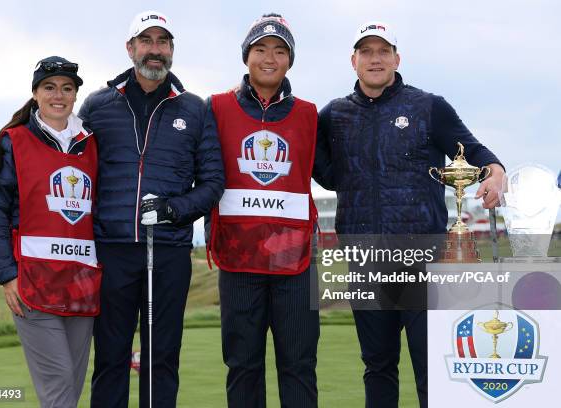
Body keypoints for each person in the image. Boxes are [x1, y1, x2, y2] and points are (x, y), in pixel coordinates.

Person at [313, 22, 505, 408]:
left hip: (423, 257)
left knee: (432, 366)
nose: (375, 59)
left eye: (383, 51)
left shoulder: (428, 106)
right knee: (378, 366)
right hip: (365, 257)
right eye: (366, 52)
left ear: (397, 59)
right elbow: (320, 167)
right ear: (354, 61)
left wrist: (496, 172)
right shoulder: (333, 115)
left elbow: (474, 152)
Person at [78, 10, 224, 408]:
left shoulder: (195, 109)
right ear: (131, 49)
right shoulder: (97, 105)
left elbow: (213, 183)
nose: (155, 50)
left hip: (169, 251)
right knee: (110, 357)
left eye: (163, 42)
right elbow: (75, 170)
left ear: (172, 50)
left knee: (161, 359)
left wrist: (173, 210)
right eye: (147, 41)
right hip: (112, 249)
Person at [207, 13, 319, 408]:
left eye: (279, 50)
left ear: (290, 60)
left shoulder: (308, 113)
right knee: (242, 366)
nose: (269, 57)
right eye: (260, 49)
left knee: (299, 365)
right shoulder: (216, 107)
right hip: (238, 260)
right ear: (246, 56)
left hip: (297, 260)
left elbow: (333, 172)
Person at [0, 56, 100, 408]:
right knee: (59, 381)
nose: (58, 95)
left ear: (76, 95)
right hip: (32, 280)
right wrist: (7, 275)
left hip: (83, 280)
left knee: (72, 384)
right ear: (35, 93)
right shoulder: (13, 141)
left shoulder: (92, 142)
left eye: (67, 88)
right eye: (49, 87)